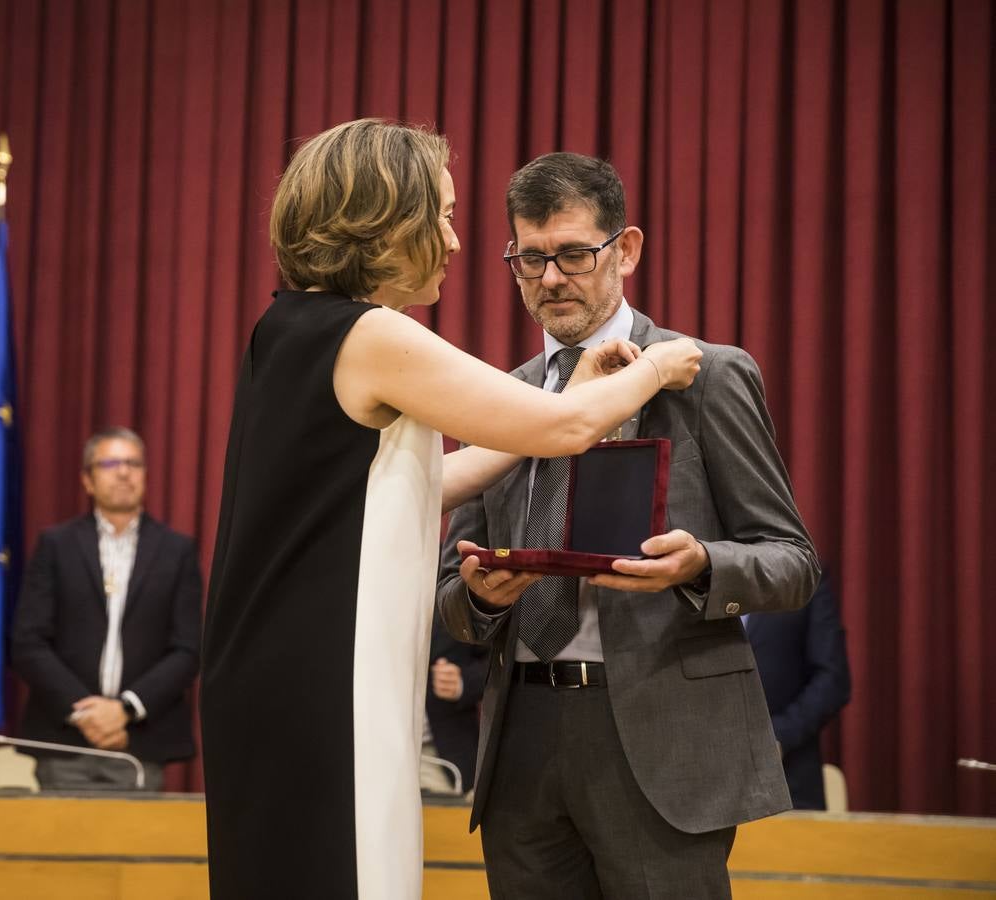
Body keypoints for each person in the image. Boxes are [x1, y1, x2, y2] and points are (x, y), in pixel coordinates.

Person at [200, 119, 702, 900]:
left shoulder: (290, 326)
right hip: (327, 682)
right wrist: (658, 364)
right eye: (439, 214)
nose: (455, 240)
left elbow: (427, 480)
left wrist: (570, 392)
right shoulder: (367, 333)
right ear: (383, 221)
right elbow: (561, 430)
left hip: (285, 677)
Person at [437, 151, 821, 900]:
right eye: (530, 258)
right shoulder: (495, 396)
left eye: (574, 254)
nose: (551, 279)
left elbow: (792, 560)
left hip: (661, 742)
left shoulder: (704, 374)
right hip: (521, 740)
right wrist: (485, 596)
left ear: (628, 250)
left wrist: (703, 563)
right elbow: (452, 597)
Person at [11, 427, 201, 791]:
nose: (124, 472)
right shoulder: (56, 545)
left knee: (136, 848)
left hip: (139, 745)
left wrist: (124, 710)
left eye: (133, 463)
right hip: (63, 739)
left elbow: (188, 650)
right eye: (111, 463)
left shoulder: (177, 551)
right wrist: (87, 712)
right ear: (88, 479)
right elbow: (28, 642)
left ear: (146, 475)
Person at [746, 572, 852, 810]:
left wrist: (778, 736)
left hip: (788, 778)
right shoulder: (685, 573)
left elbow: (833, 679)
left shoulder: (803, 576)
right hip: (697, 784)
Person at [423, 613, 489, 797]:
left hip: (440, 754)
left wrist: (463, 682)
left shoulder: (452, 587)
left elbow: (502, 659)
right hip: (370, 751)